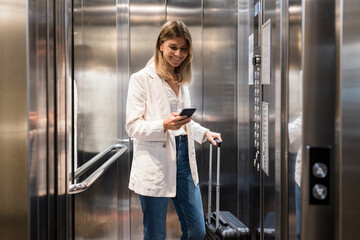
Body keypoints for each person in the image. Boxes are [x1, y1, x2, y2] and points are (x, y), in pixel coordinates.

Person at [125, 20, 222, 240]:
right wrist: (163, 125)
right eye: (173, 47)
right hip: (155, 162)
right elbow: (132, 126)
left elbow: (181, 121)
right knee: (155, 233)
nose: (179, 54)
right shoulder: (141, 79)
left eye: (184, 49)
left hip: (184, 160)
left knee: (197, 231)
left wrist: (203, 132)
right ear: (160, 45)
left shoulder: (181, 78)